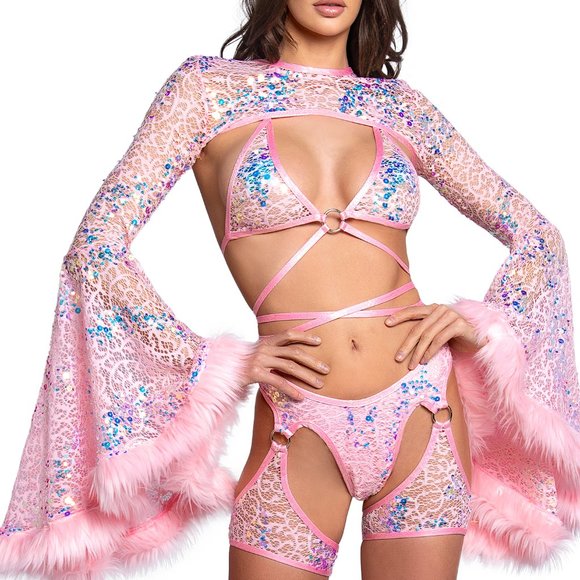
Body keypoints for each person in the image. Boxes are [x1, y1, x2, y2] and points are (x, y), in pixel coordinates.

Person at [0, 1, 578, 579]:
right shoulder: (206, 92)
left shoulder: (401, 107)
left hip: (424, 407)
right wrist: (211, 364)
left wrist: (485, 323)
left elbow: (538, 237)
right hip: (296, 418)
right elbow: (95, 248)